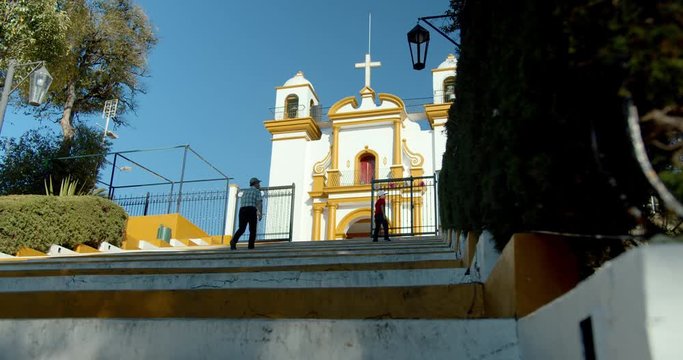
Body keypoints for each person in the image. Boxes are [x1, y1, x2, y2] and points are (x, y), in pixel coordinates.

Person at [230, 177, 263, 250]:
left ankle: (233, 241)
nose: (259, 185)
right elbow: (259, 203)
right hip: (251, 209)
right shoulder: (257, 191)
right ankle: (251, 246)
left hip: (242, 210)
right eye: (258, 183)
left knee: (241, 228)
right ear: (255, 184)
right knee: (252, 229)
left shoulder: (245, 191)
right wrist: (260, 213)